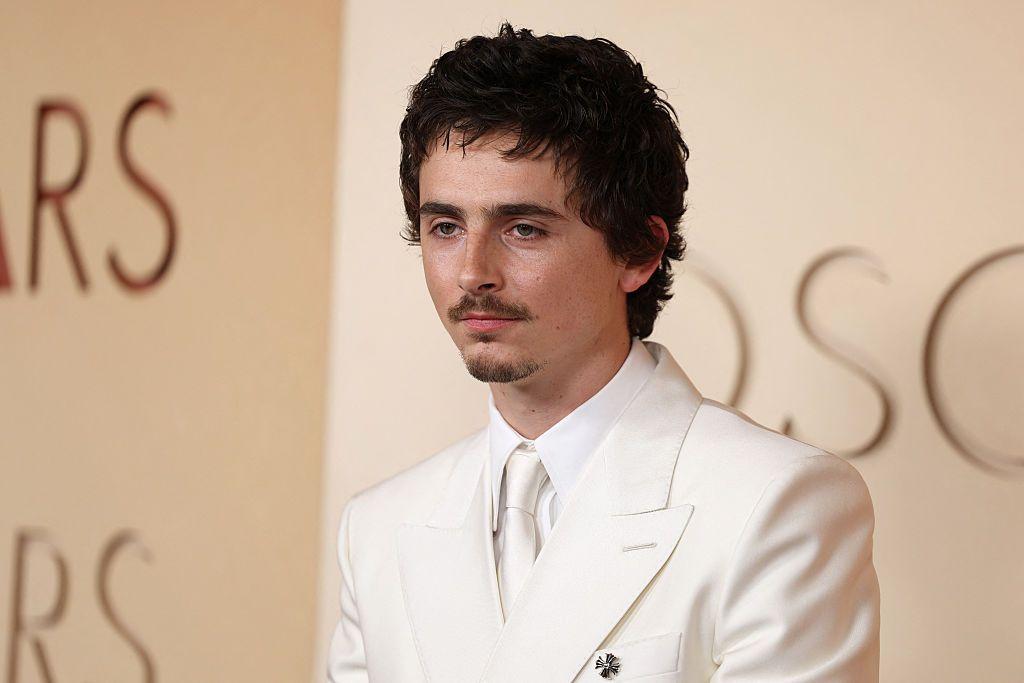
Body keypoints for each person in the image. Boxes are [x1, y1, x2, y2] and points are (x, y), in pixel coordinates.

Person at [328, 23, 880, 683]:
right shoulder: (379, 529)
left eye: (523, 228)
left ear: (640, 252)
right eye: (444, 226)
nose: (472, 271)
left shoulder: (775, 503)